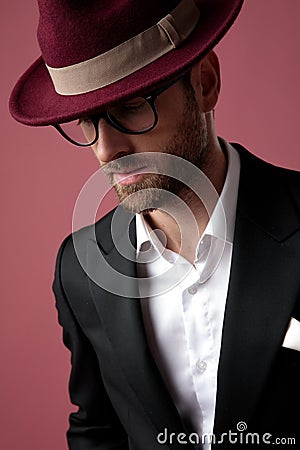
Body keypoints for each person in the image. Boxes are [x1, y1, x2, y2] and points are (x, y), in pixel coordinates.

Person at [9, 0, 300, 448]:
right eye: (86, 121)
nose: (106, 151)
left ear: (205, 83)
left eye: (129, 107)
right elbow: (96, 428)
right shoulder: (80, 270)